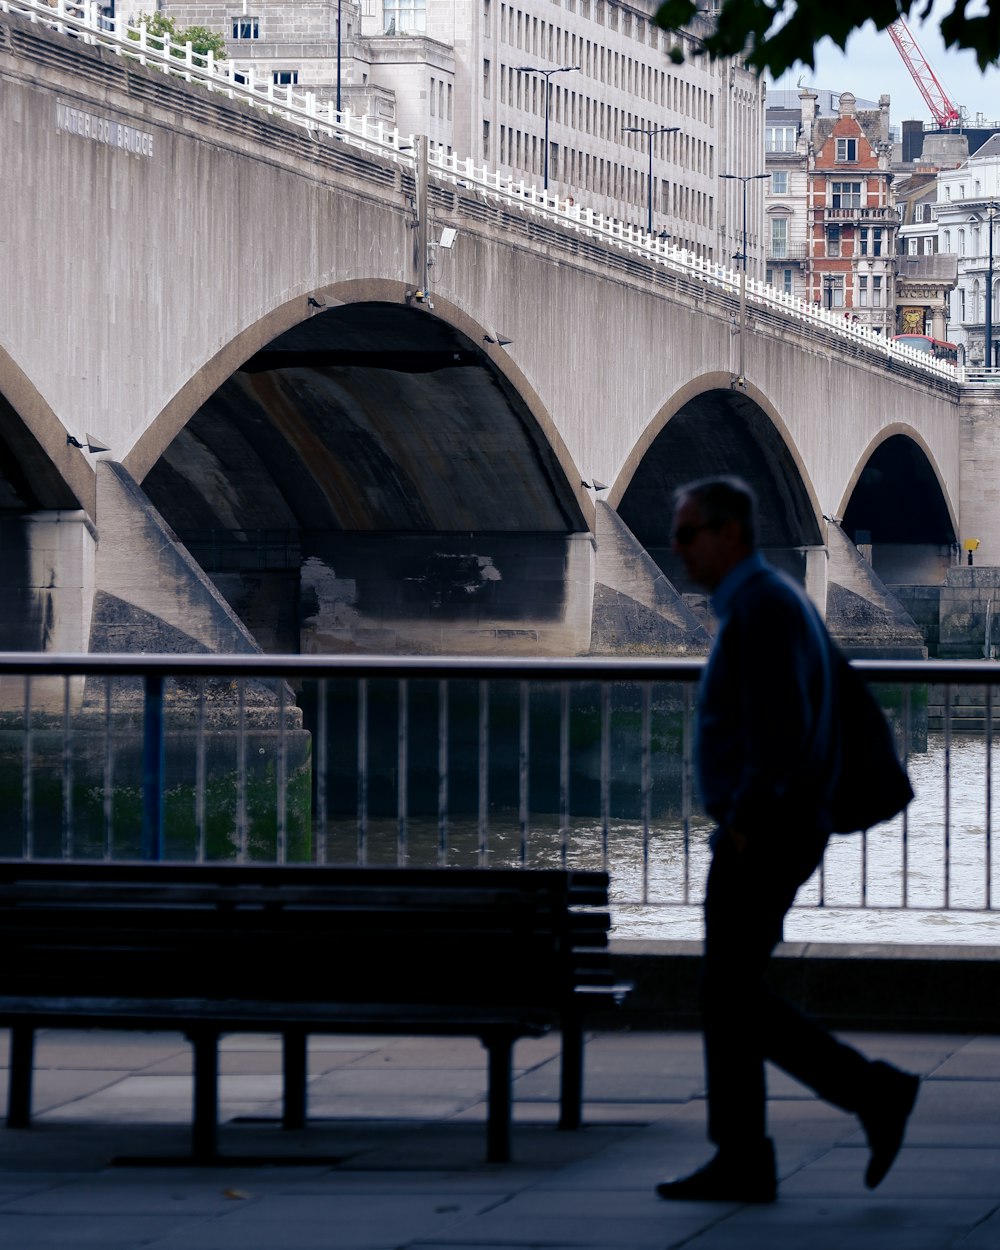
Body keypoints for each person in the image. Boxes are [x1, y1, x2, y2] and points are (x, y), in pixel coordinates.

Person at [656, 475, 920, 1205]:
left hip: (766, 832)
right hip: (772, 825)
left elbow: (780, 728)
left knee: (727, 993)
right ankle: (764, 1146)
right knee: (732, 995)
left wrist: (744, 820)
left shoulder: (765, 609)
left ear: (729, 534)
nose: (676, 550)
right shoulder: (760, 602)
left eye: (687, 534)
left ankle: (858, 1101)